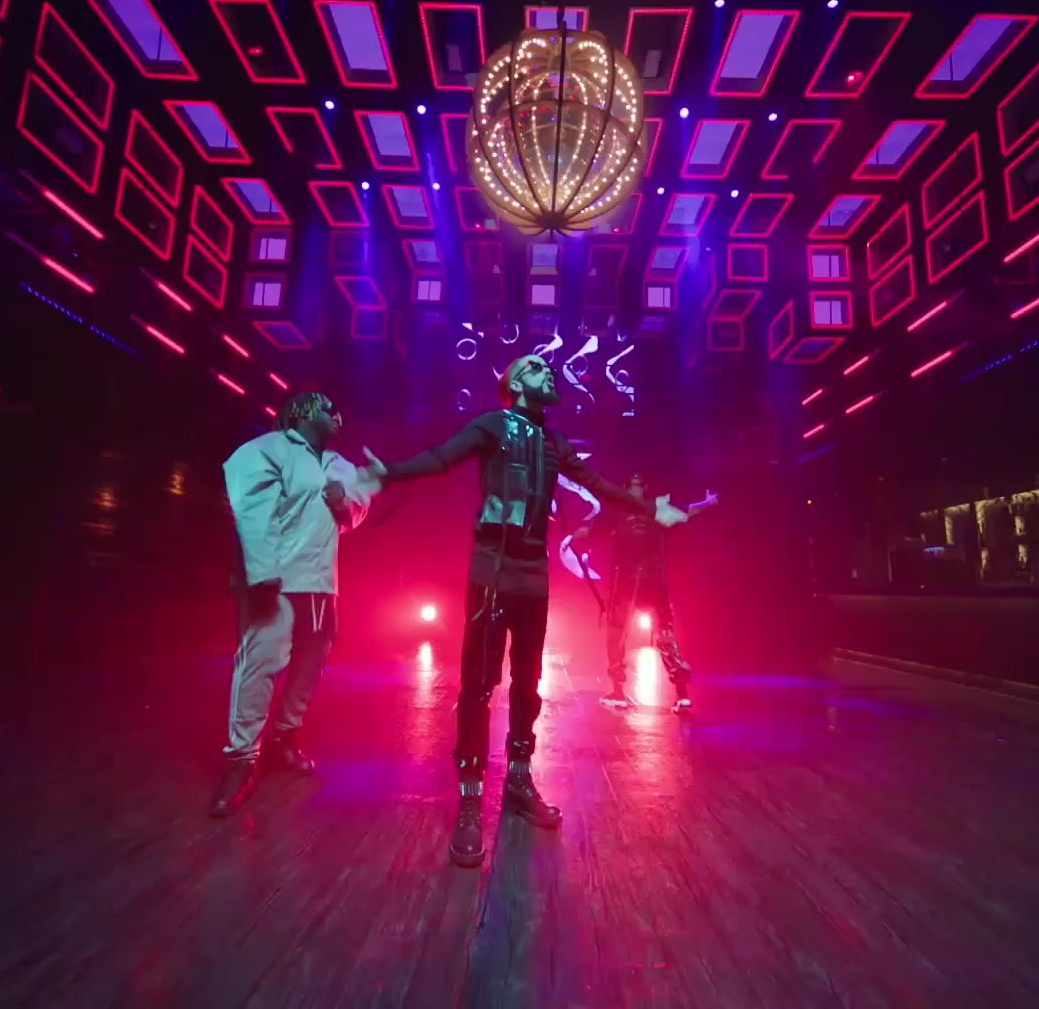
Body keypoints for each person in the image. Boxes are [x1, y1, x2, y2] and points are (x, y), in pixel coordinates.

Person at [362, 355, 689, 867]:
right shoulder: (492, 425)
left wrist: (651, 509)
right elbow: (442, 457)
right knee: (478, 685)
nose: (549, 371)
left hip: (534, 575)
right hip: (492, 571)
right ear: (514, 382)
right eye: (536, 367)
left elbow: (599, 485)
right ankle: (471, 800)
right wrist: (390, 473)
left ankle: (518, 781)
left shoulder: (554, 442)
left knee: (527, 684)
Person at [212, 392, 377, 818]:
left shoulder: (339, 464)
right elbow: (252, 510)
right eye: (327, 407)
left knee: (310, 664)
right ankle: (241, 759)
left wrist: (345, 502)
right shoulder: (269, 449)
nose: (337, 413)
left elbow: (358, 511)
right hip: (276, 579)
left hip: (320, 583)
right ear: (303, 412)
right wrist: (262, 572)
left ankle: (283, 739)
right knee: (260, 663)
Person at [575, 474, 716, 714]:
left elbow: (585, 529)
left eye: (635, 487)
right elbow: (687, 511)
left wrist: (571, 533)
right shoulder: (652, 510)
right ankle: (680, 695)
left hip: (632, 582)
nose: (635, 490)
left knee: (621, 632)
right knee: (660, 632)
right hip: (648, 581)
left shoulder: (625, 511)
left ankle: (622, 693)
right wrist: (708, 503)